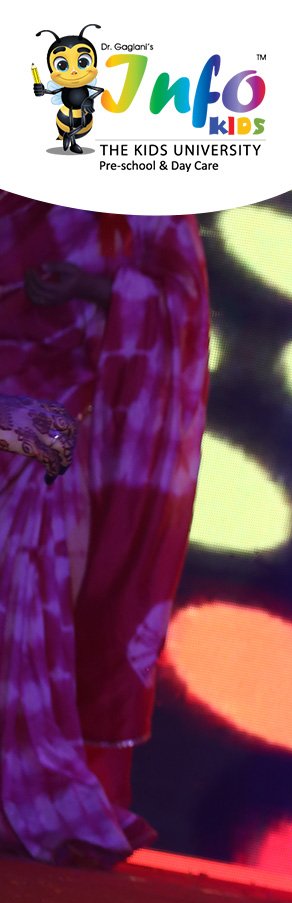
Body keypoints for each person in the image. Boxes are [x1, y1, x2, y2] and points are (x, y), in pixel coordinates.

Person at [0, 194, 210, 867]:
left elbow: (179, 306)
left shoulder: (144, 187)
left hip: (63, 410)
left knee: (31, 556)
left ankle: (24, 785)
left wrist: (94, 287)